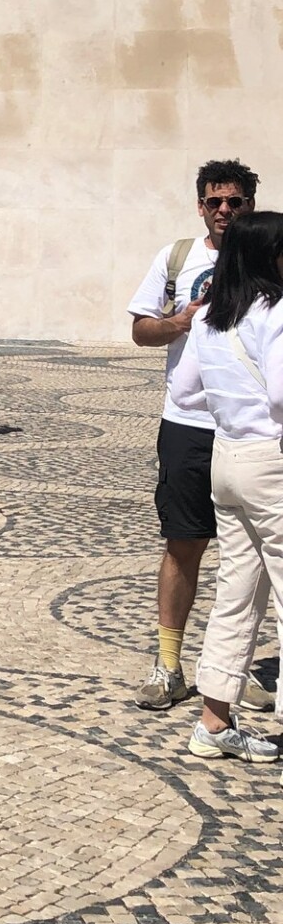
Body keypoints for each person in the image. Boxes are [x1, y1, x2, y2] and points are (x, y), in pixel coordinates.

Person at [129, 158, 261, 710]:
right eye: (214, 202)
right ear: (200, 205)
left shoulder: (268, 259)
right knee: (184, 543)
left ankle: (235, 672)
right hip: (188, 423)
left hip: (253, 428)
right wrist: (178, 322)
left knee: (253, 553)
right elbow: (139, 330)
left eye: (234, 202)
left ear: (250, 205)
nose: (224, 211)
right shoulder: (176, 258)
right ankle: (168, 665)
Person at [166, 211, 283, 762]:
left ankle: (214, 722)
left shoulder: (210, 315)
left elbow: (186, 392)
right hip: (271, 458)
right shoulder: (275, 311)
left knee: (237, 592)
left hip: (226, 456)